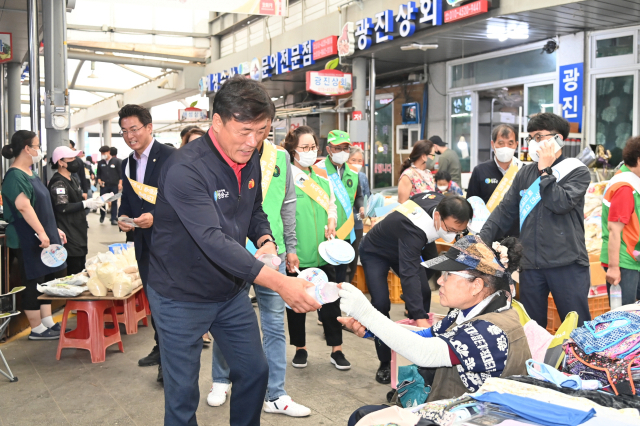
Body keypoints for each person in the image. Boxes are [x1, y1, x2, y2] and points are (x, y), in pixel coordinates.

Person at [146, 75, 320, 426]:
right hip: (180, 293)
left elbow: (254, 208)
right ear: (217, 122)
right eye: (244, 131)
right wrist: (280, 283)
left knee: (254, 371)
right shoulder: (185, 168)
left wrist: (265, 239)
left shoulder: (250, 155)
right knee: (182, 396)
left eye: (262, 132)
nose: (253, 141)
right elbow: (211, 239)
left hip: (228, 291)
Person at [340, 235, 530, 425]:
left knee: (364, 418)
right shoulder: (465, 313)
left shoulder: (490, 330)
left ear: (477, 285)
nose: (440, 281)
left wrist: (366, 312)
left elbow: (424, 353)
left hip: (475, 419)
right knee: (364, 415)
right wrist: (371, 330)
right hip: (453, 409)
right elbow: (424, 337)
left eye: (448, 275)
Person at [208, 120, 311, 417]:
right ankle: (220, 379)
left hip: (272, 253)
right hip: (233, 253)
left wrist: (291, 247)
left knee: (274, 325)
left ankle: (276, 394)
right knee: (229, 319)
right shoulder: (227, 153)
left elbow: (287, 206)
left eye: (263, 126)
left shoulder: (280, 158)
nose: (255, 135)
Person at [479, 113, 591, 328]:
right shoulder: (524, 173)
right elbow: (504, 211)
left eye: (539, 137)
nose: (533, 143)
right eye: (530, 138)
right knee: (531, 328)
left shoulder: (577, 170)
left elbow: (560, 204)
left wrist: (546, 171)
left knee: (577, 328)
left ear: (558, 139)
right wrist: (479, 241)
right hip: (530, 264)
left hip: (566, 263)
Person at [359, 193, 472, 383]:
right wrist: (420, 318)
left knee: (423, 291)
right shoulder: (414, 229)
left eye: (458, 230)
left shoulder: (442, 202)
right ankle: (385, 361)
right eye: (450, 229)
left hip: (404, 245)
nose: (453, 235)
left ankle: (414, 347)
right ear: (438, 217)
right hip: (376, 251)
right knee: (380, 303)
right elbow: (409, 273)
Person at [282, 125, 351, 372]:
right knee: (297, 304)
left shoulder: (323, 179)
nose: (311, 152)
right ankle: (300, 348)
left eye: (313, 147)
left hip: (324, 254)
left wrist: (332, 219)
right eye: (305, 147)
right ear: (292, 150)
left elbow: (331, 207)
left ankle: (337, 349)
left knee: (331, 301)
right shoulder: (286, 178)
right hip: (297, 254)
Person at [116, 104, 176, 383]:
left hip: (170, 243)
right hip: (143, 243)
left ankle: (170, 360)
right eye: (124, 131)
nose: (129, 136)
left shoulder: (171, 157)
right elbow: (129, 200)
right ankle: (160, 346)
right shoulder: (126, 163)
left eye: (134, 129)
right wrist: (122, 217)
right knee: (154, 298)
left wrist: (156, 216)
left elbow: (182, 201)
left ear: (149, 128)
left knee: (171, 302)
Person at [1, 131, 68, 340]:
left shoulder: (31, 173)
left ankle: (47, 322)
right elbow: (24, 207)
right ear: (26, 149)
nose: (39, 150)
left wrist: (53, 229)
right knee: (34, 281)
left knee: (46, 280)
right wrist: (41, 232)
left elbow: (41, 207)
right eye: (37, 146)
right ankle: (36, 328)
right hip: (29, 238)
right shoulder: (14, 176)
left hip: (43, 235)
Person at [48, 147, 104, 274]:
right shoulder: (58, 183)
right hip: (68, 233)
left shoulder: (72, 178)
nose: (75, 161)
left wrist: (92, 203)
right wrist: (85, 203)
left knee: (80, 266)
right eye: (71, 159)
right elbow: (62, 207)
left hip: (78, 231)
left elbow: (76, 201)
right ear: (61, 162)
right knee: (73, 270)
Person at [318, 130, 364, 283]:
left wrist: (362, 207)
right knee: (328, 274)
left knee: (345, 274)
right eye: (338, 148)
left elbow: (358, 196)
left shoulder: (353, 172)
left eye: (346, 148)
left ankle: (339, 304)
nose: (342, 152)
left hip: (347, 230)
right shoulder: (318, 170)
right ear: (329, 149)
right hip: (326, 231)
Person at [601, 135, 640, 305]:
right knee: (624, 317)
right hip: (623, 261)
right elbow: (614, 230)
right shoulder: (625, 187)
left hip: (632, 257)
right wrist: (614, 267)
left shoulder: (628, 177)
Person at [466, 124, 522, 203]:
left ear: (516, 145)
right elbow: (471, 203)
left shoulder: (523, 170)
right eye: (501, 143)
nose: (505, 147)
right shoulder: (480, 171)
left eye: (510, 144)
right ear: (493, 144)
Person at [346, 145, 371, 284]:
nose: (356, 164)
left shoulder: (362, 177)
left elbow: (366, 197)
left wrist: (364, 209)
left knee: (354, 258)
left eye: (359, 161)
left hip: (357, 224)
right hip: (342, 225)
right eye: (353, 160)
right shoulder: (340, 176)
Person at [96, 145, 122, 225]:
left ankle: (113, 218)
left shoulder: (116, 161)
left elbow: (120, 174)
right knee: (102, 201)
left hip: (114, 185)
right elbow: (98, 174)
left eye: (104, 152)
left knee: (114, 201)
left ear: (109, 152)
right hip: (104, 186)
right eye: (101, 153)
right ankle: (102, 215)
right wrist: (99, 181)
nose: (103, 154)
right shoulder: (101, 162)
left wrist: (120, 183)